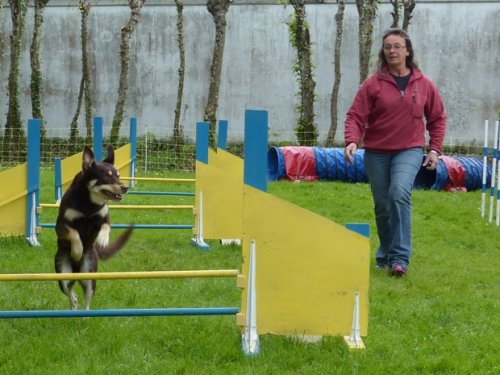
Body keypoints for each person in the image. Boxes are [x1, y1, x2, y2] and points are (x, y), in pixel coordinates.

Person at [343, 28, 446, 276]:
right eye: (388, 46)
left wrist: (434, 149)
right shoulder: (373, 84)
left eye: (397, 46)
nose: (392, 50)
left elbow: (437, 118)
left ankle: (400, 258)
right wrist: (352, 141)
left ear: (407, 50)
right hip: (376, 152)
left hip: (409, 150)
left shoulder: (424, 84)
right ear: (383, 51)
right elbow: (355, 115)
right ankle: (385, 254)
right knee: (383, 205)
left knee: (399, 192)